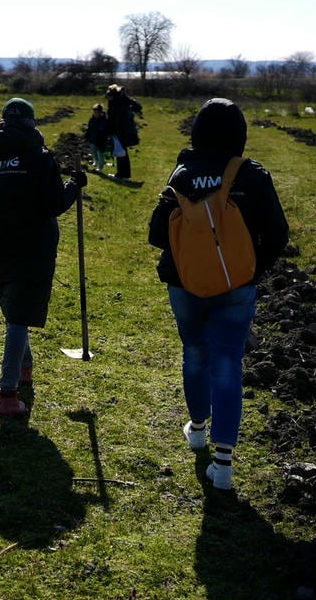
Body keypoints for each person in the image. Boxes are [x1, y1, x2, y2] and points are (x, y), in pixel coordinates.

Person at [147, 98, 289, 490]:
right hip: (237, 288)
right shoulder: (253, 176)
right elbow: (278, 235)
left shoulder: (182, 174)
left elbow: (157, 234)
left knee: (195, 353)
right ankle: (224, 465)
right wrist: (250, 270)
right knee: (228, 363)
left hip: (186, 285)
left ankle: (196, 428)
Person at [0, 97, 86, 420]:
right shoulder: (40, 159)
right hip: (33, 248)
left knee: (14, 310)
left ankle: (24, 366)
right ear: (31, 123)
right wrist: (74, 185)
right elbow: (55, 204)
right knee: (17, 316)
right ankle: (8, 395)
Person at [104, 83, 143, 179]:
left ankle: (123, 175)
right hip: (124, 129)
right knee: (121, 152)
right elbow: (137, 106)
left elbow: (113, 118)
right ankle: (123, 174)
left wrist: (109, 130)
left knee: (121, 153)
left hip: (121, 130)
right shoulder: (123, 99)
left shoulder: (116, 102)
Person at [84, 103, 111, 172]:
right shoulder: (92, 120)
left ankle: (100, 167)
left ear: (100, 112)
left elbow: (104, 130)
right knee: (93, 151)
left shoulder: (104, 120)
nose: (95, 114)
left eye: (97, 113)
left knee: (100, 153)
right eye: (94, 112)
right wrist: (87, 135)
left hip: (101, 140)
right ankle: (96, 161)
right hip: (93, 139)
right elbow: (89, 128)